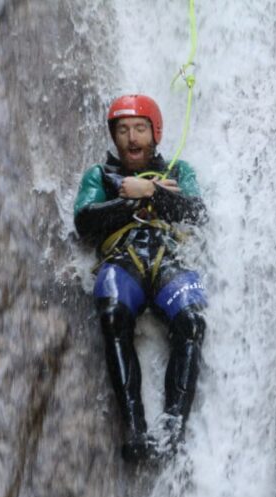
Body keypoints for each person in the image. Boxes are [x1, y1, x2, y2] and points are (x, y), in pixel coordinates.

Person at [74, 94, 208, 463]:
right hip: (124, 260)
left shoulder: (179, 171)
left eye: (139, 129)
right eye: (123, 130)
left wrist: (148, 190)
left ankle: (174, 431)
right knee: (114, 314)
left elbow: (197, 212)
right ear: (114, 137)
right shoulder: (101, 176)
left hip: (169, 259)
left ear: (155, 132)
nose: (132, 138)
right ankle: (135, 427)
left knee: (192, 320)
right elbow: (84, 221)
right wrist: (129, 200)